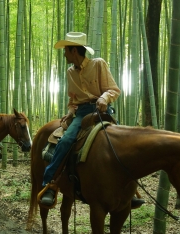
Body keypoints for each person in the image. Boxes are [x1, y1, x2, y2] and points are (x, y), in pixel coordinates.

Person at [40, 32, 145, 208]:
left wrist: (104, 98)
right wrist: (71, 111)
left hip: (102, 110)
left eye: (65, 50)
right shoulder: (70, 72)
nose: (64, 54)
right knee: (65, 141)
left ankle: (131, 189)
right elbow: (73, 100)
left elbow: (113, 89)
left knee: (122, 145)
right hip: (82, 113)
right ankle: (50, 183)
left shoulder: (98, 64)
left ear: (74, 50)